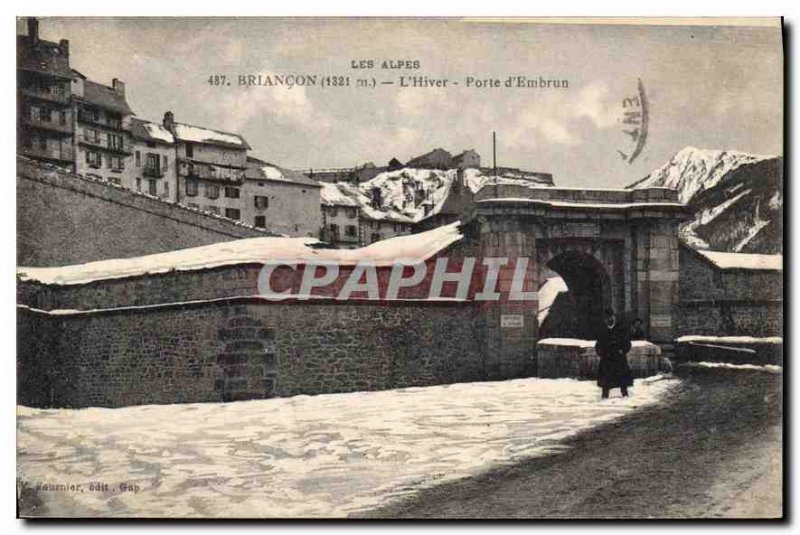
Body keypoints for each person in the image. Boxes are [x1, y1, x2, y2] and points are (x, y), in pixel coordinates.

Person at [595, 308, 633, 399]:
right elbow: (598, 345)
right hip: (606, 359)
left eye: (611, 317)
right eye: (607, 318)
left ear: (614, 318)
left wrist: (623, 351)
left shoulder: (621, 330)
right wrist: (602, 353)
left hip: (619, 358)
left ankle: (625, 395)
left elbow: (627, 343)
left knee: (622, 379)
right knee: (605, 381)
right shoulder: (602, 331)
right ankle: (604, 396)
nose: (609, 320)